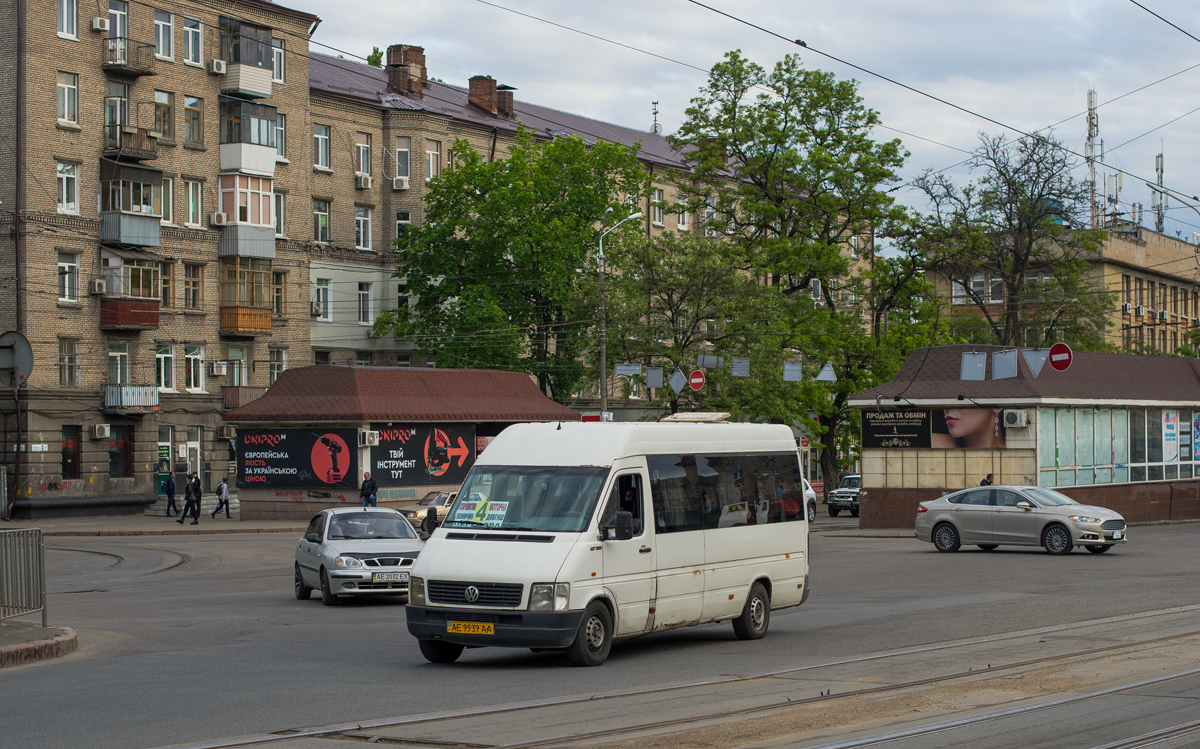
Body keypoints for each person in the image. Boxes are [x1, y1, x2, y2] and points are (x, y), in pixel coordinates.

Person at [931, 407, 1006, 448]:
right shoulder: (934, 444)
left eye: (962, 398)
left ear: (997, 406)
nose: (947, 407)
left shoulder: (1015, 456)